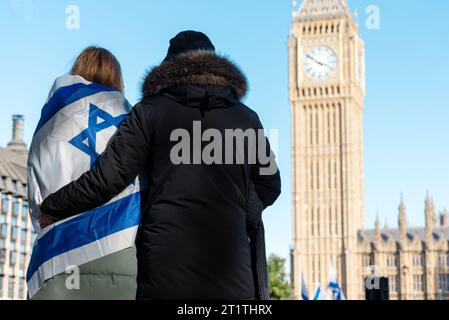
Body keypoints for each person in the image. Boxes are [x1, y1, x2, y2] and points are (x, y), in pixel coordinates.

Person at [40, 31, 281, 300]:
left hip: (166, 275)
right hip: (232, 276)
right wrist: (241, 210)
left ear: (169, 69)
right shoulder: (246, 119)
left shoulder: (150, 112)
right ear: (218, 67)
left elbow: (106, 180)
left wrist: (52, 206)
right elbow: (271, 184)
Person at [27, 47, 138, 300]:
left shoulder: (53, 118)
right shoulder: (132, 119)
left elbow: (38, 185)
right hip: (120, 246)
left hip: (57, 250)